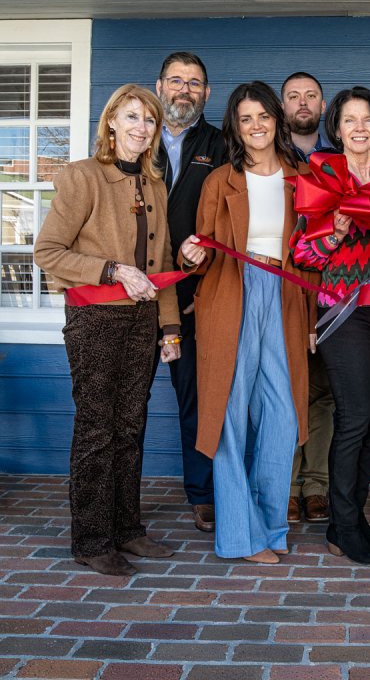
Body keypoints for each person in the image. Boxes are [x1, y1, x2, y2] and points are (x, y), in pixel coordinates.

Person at [34, 84, 180, 577]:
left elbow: (161, 268)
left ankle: (128, 529)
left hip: (143, 321)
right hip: (94, 318)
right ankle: (92, 540)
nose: (142, 128)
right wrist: (114, 270)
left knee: (131, 425)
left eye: (150, 120)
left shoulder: (156, 184)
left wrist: (170, 329)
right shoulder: (82, 177)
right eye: (132, 117)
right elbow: (48, 252)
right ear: (112, 122)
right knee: (98, 428)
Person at [179, 81, 316, 564]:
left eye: (263, 116)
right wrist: (189, 253)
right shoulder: (220, 180)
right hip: (230, 295)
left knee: (281, 417)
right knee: (229, 417)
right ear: (235, 127)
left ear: (276, 119)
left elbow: (315, 253)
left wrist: (315, 316)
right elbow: (202, 247)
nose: (256, 126)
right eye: (245, 118)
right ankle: (239, 534)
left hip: (284, 296)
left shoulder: (303, 174)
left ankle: (270, 526)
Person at [290, 86, 370, 566]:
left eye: (368, 120)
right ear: (335, 128)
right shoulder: (321, 171)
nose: (360, 128)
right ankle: (340, 528)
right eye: (350, 120)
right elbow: (303, 254)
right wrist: (334, 232)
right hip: (343, 310)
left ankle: (354, 518)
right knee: (355, 418)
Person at [142, 51, 226, 534]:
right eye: (176, 80)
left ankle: (202, 493)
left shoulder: (218, 144)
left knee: (196, 398)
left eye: (195, 83)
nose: (185, 90)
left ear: (207, 93)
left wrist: (208, 279)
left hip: (194, 297)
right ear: (159, 85)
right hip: (134, 294)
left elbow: (227, 224)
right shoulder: (136, 139)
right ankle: (118, 498)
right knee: (128, 400)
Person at [281, 70, 334, 525]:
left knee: (322, 394)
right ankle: (287, 485)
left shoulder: (336, 160)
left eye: (311, 96)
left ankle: (316, 486)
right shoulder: (267, 159)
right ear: (283, 107)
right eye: (293, 96)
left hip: (329, 293)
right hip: (280, 291)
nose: (303, 103)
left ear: (322, 104)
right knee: (285, 390)